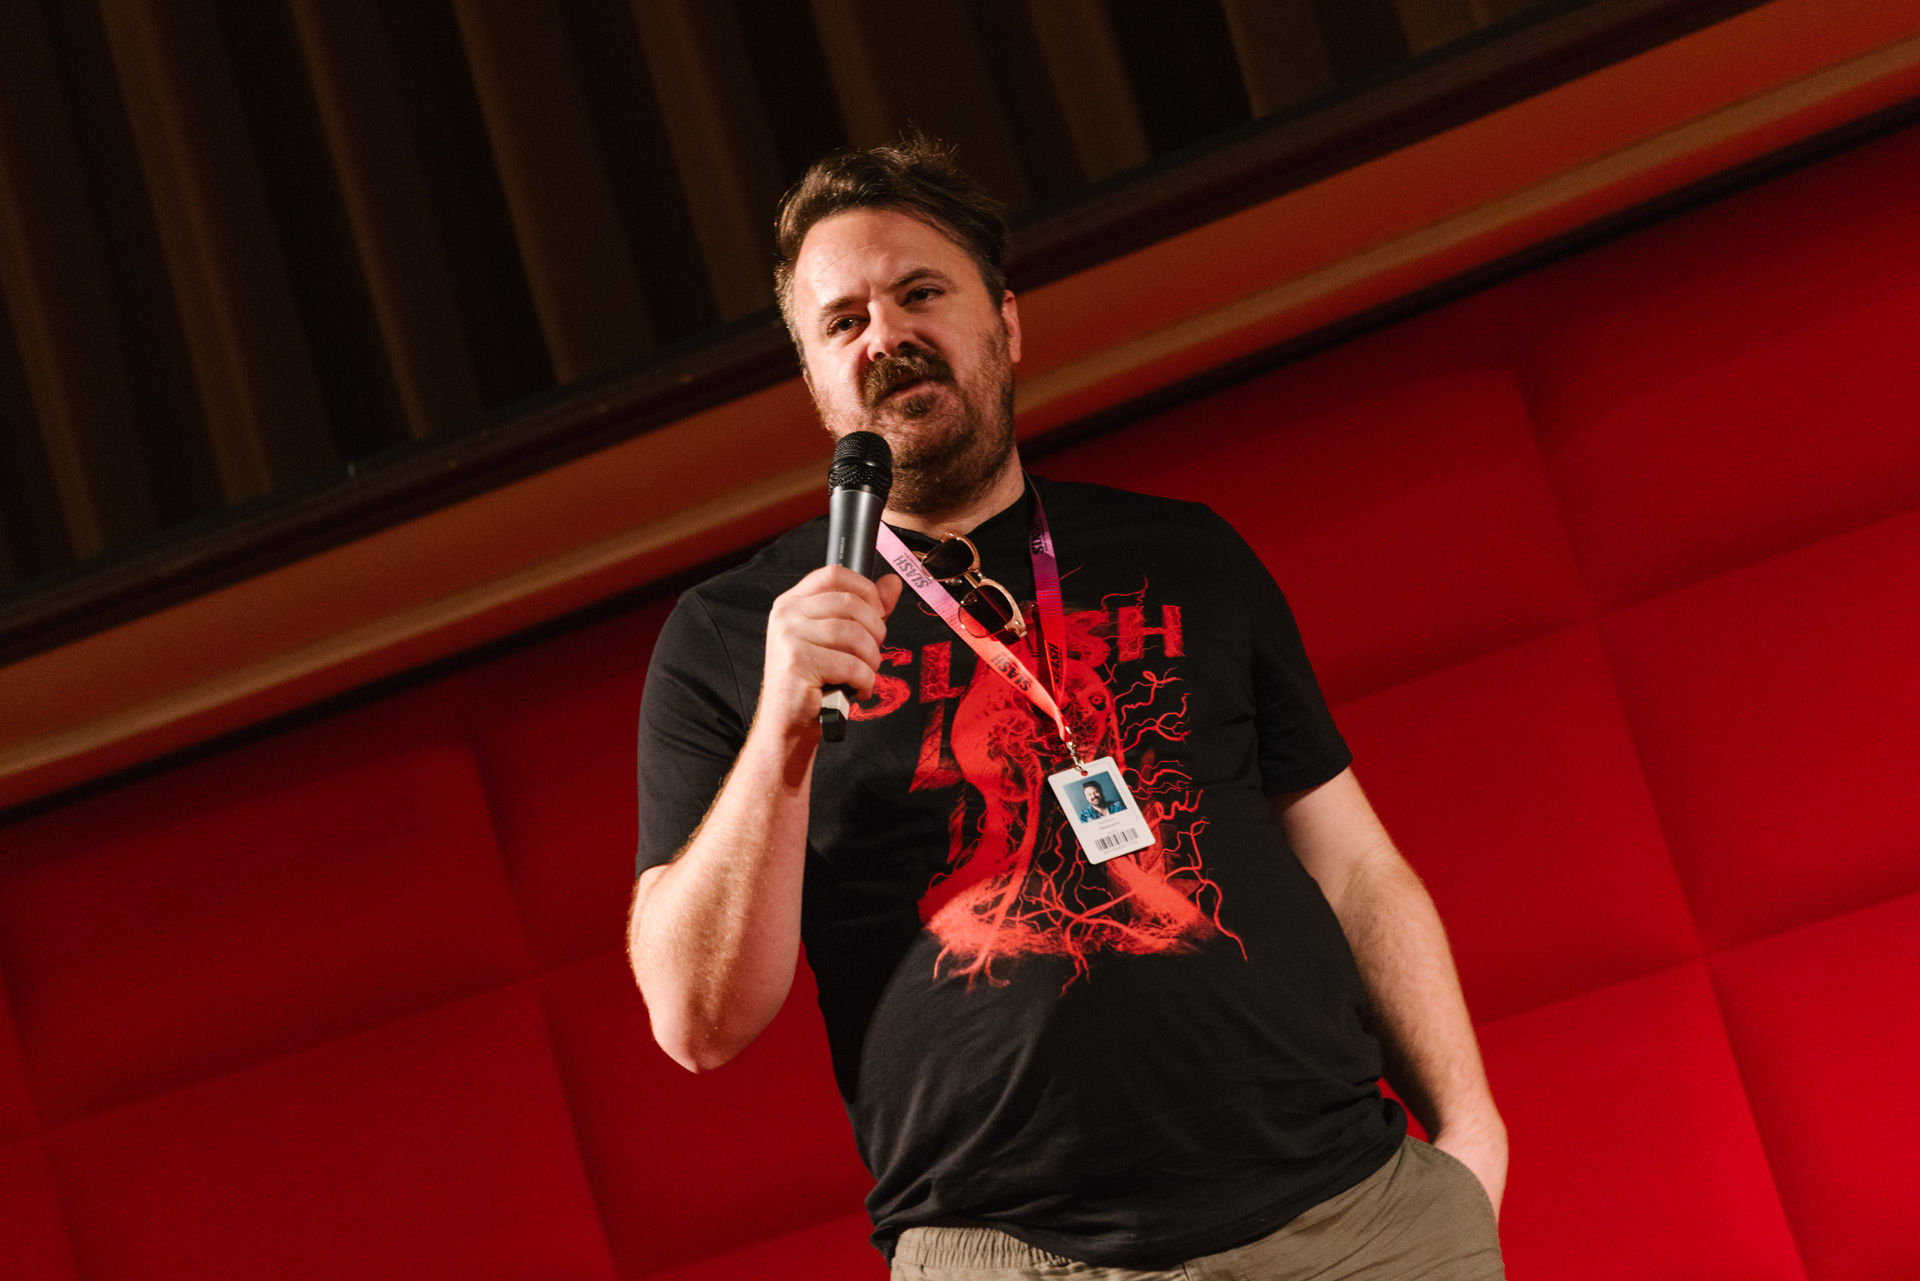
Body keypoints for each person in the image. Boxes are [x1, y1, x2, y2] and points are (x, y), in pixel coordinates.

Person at [627, 136, 1508, 1280]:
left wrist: (1471, 1135)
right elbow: (696, 1022)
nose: (885, 336)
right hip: (1017, 1253)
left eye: (919, 293)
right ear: (814, 380)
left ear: (1005, 324)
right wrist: (782, 733)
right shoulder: (737, 633)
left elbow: (1353, 867)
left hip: (1358, 1222)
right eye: (843, 321)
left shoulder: (1186, 553)